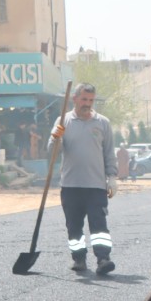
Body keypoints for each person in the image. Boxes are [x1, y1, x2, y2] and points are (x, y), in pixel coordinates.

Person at [52, 84, 119, 275]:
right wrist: (56, 138)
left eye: (91, 100)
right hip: (70, 186)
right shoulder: (63, 121)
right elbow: (52, 152)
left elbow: (109, 152)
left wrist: (112, 177)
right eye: (84, 99)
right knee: (73, 226)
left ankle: (103, 259)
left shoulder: (103, 123)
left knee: (99, 225)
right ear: (75, 99)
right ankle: (79, 259)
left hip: (96, 186)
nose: (87, 104)